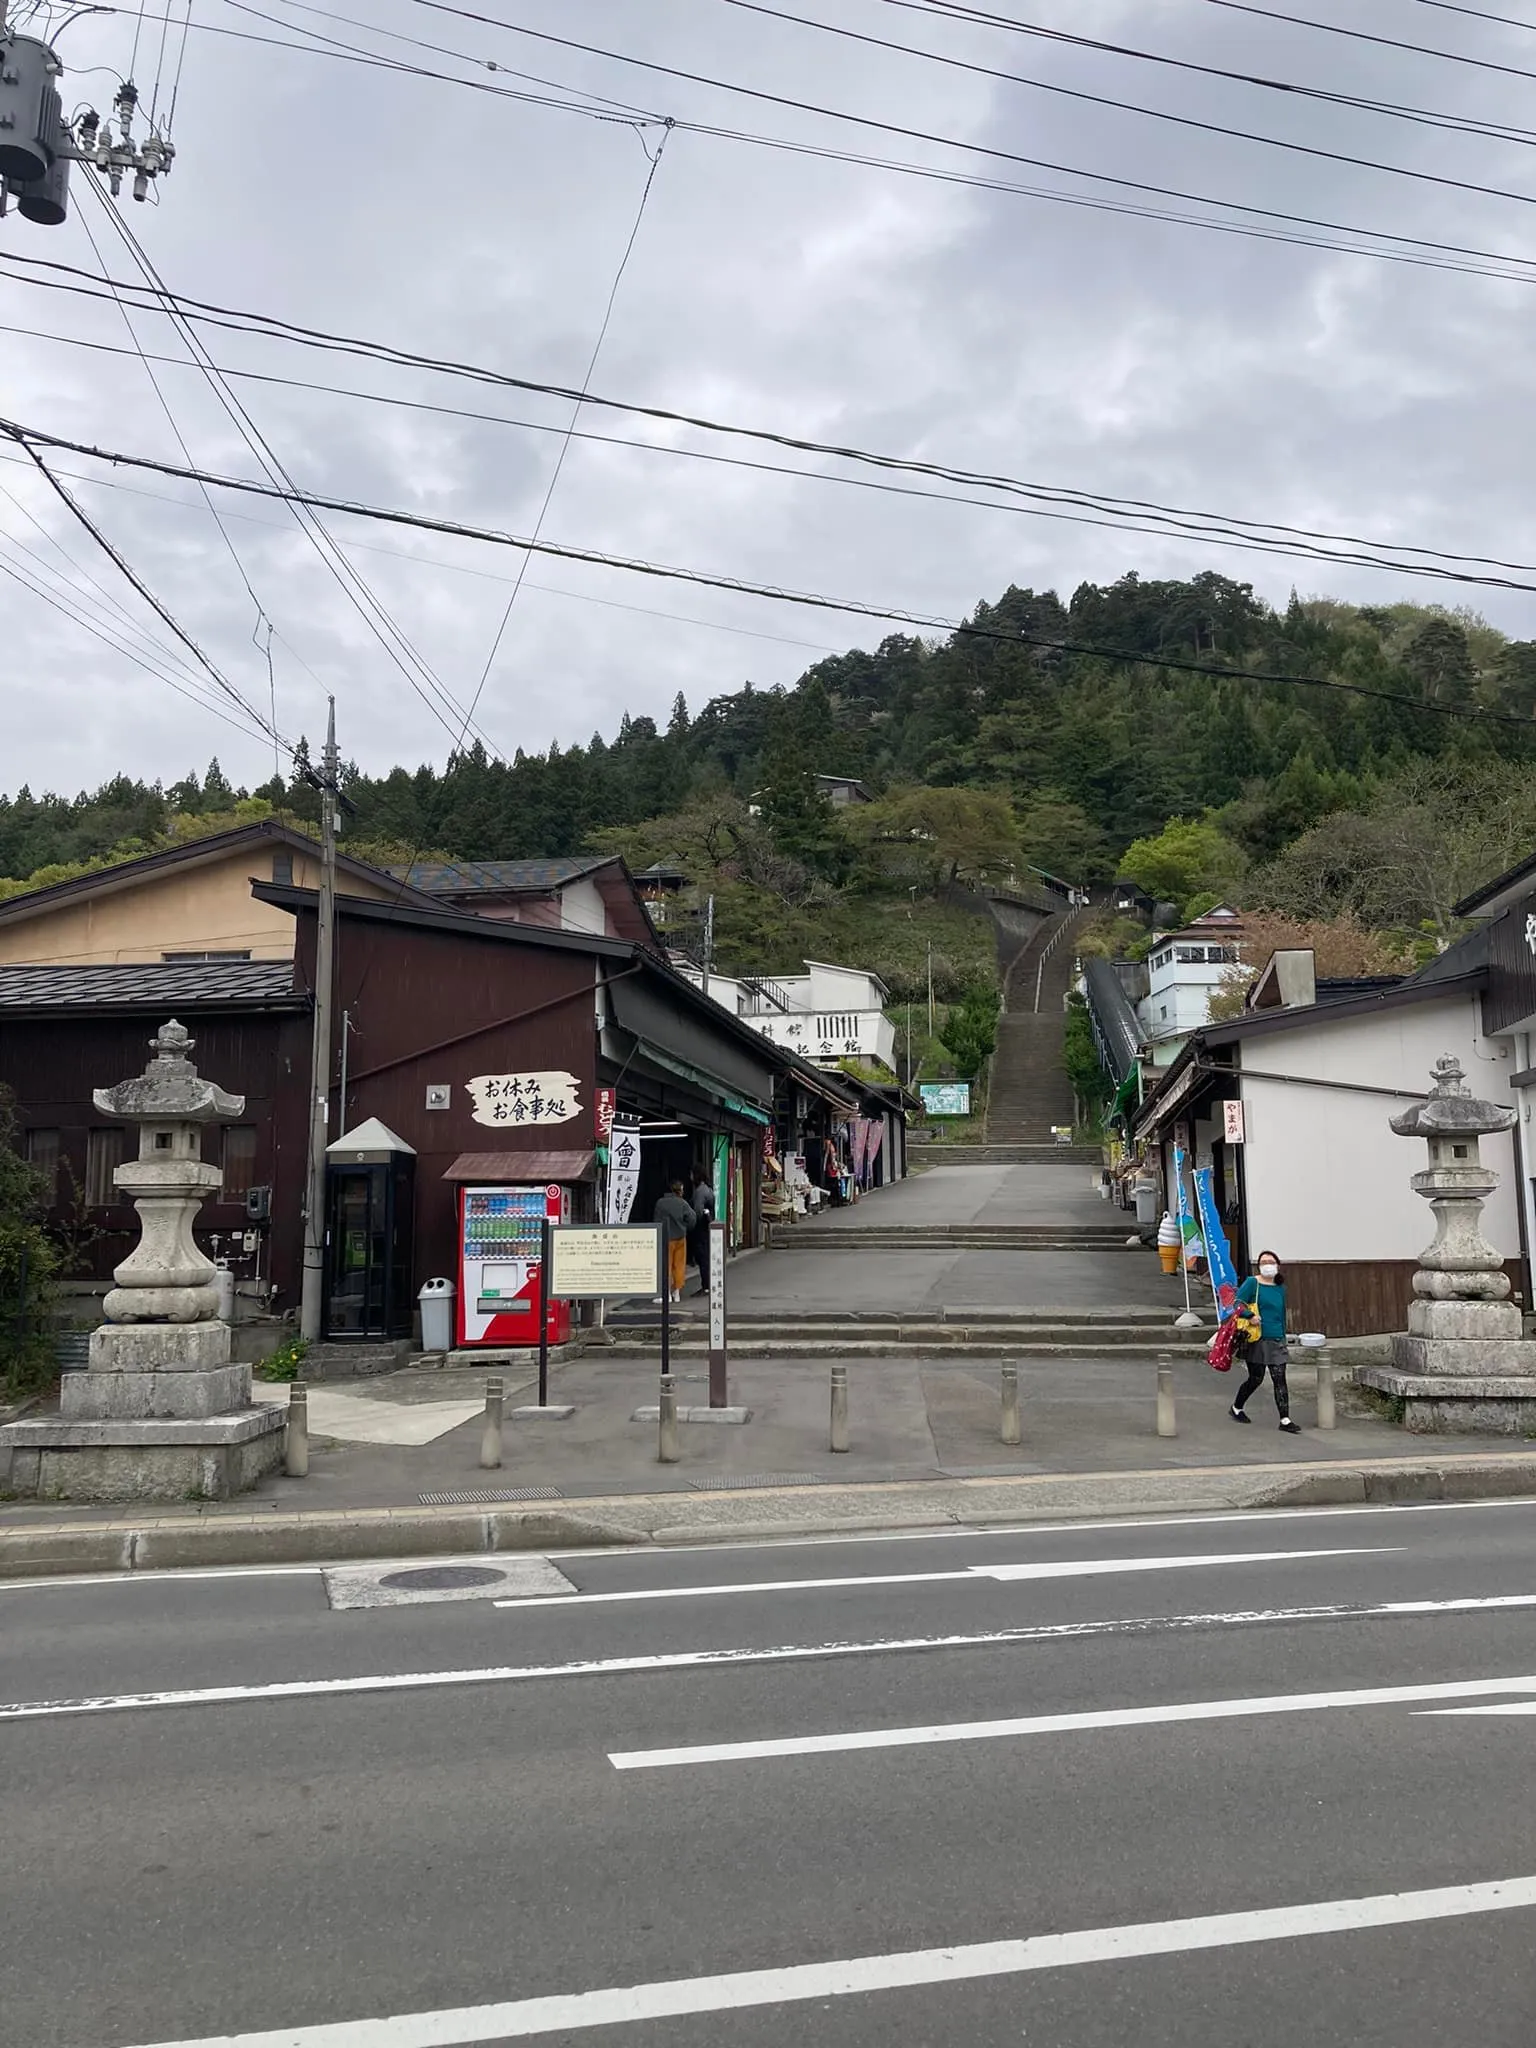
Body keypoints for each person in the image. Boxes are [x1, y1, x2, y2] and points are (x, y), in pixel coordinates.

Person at [1229, 1249, 1300, 1433]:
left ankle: (1285, 1419)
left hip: (1276, 1338)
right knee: (1256, 1378)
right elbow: (1237, 1303)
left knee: (1279, 1378)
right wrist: (1249, 1315)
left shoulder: (1280, 1287)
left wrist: (1284, 1336)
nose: (1268, 1264)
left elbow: (1281, 1314)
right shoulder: (1253, 1283)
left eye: (1271, 1261)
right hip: (1256, 1338)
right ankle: (1237, 1407)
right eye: (1264, 1262)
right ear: (1259, 1266)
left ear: (1277, 1264)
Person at [653, 1180, 695, 1304]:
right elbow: (692, 1219)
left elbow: (656, 1219)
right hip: (680, 1238)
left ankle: (666, 1294)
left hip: (665, 1238)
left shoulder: (660, 1203)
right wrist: (685, 1227)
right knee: (679, 1265)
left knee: (666, 1265)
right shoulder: (683, 1203)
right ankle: (676, 1292)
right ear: (680, 1191)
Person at [690, 1165, 716, 1298]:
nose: (690, 1177)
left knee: (703, 1258)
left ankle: (706, 1286)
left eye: (692, 1174)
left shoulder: (700, 1192)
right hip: (707, 1227)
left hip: (701, 1228)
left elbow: (697, 1212)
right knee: (705, 1257)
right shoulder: (708, 1189)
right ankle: (707, 1285)